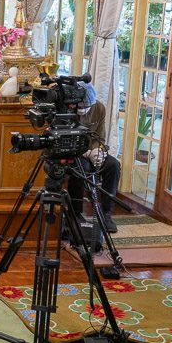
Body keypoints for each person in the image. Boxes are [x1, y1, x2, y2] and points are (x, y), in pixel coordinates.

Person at [67, 84, 120, 233]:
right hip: (75, 153)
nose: (83, 108)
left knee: (113, 166)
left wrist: (98, 151)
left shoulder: (99, 109)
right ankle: (75, 213)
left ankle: (106, 213)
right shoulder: (69, 108)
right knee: (81, 169)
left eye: (86, 105)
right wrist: (84, 152)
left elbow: (100, 137)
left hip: (94, 150)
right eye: (80, 105)